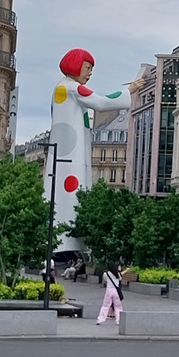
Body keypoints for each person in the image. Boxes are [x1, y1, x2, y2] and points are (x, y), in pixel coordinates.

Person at [44, 48, 144, 251]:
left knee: (61, 193)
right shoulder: (73, 88)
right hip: (70, 156)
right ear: (76, 65)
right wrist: (130, 90)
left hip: (63, 151)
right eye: (87, 68)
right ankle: (67, 245)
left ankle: (57, 242)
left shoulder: (61, 88)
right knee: (72, 195)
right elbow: (101, 102)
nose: (89, 74)